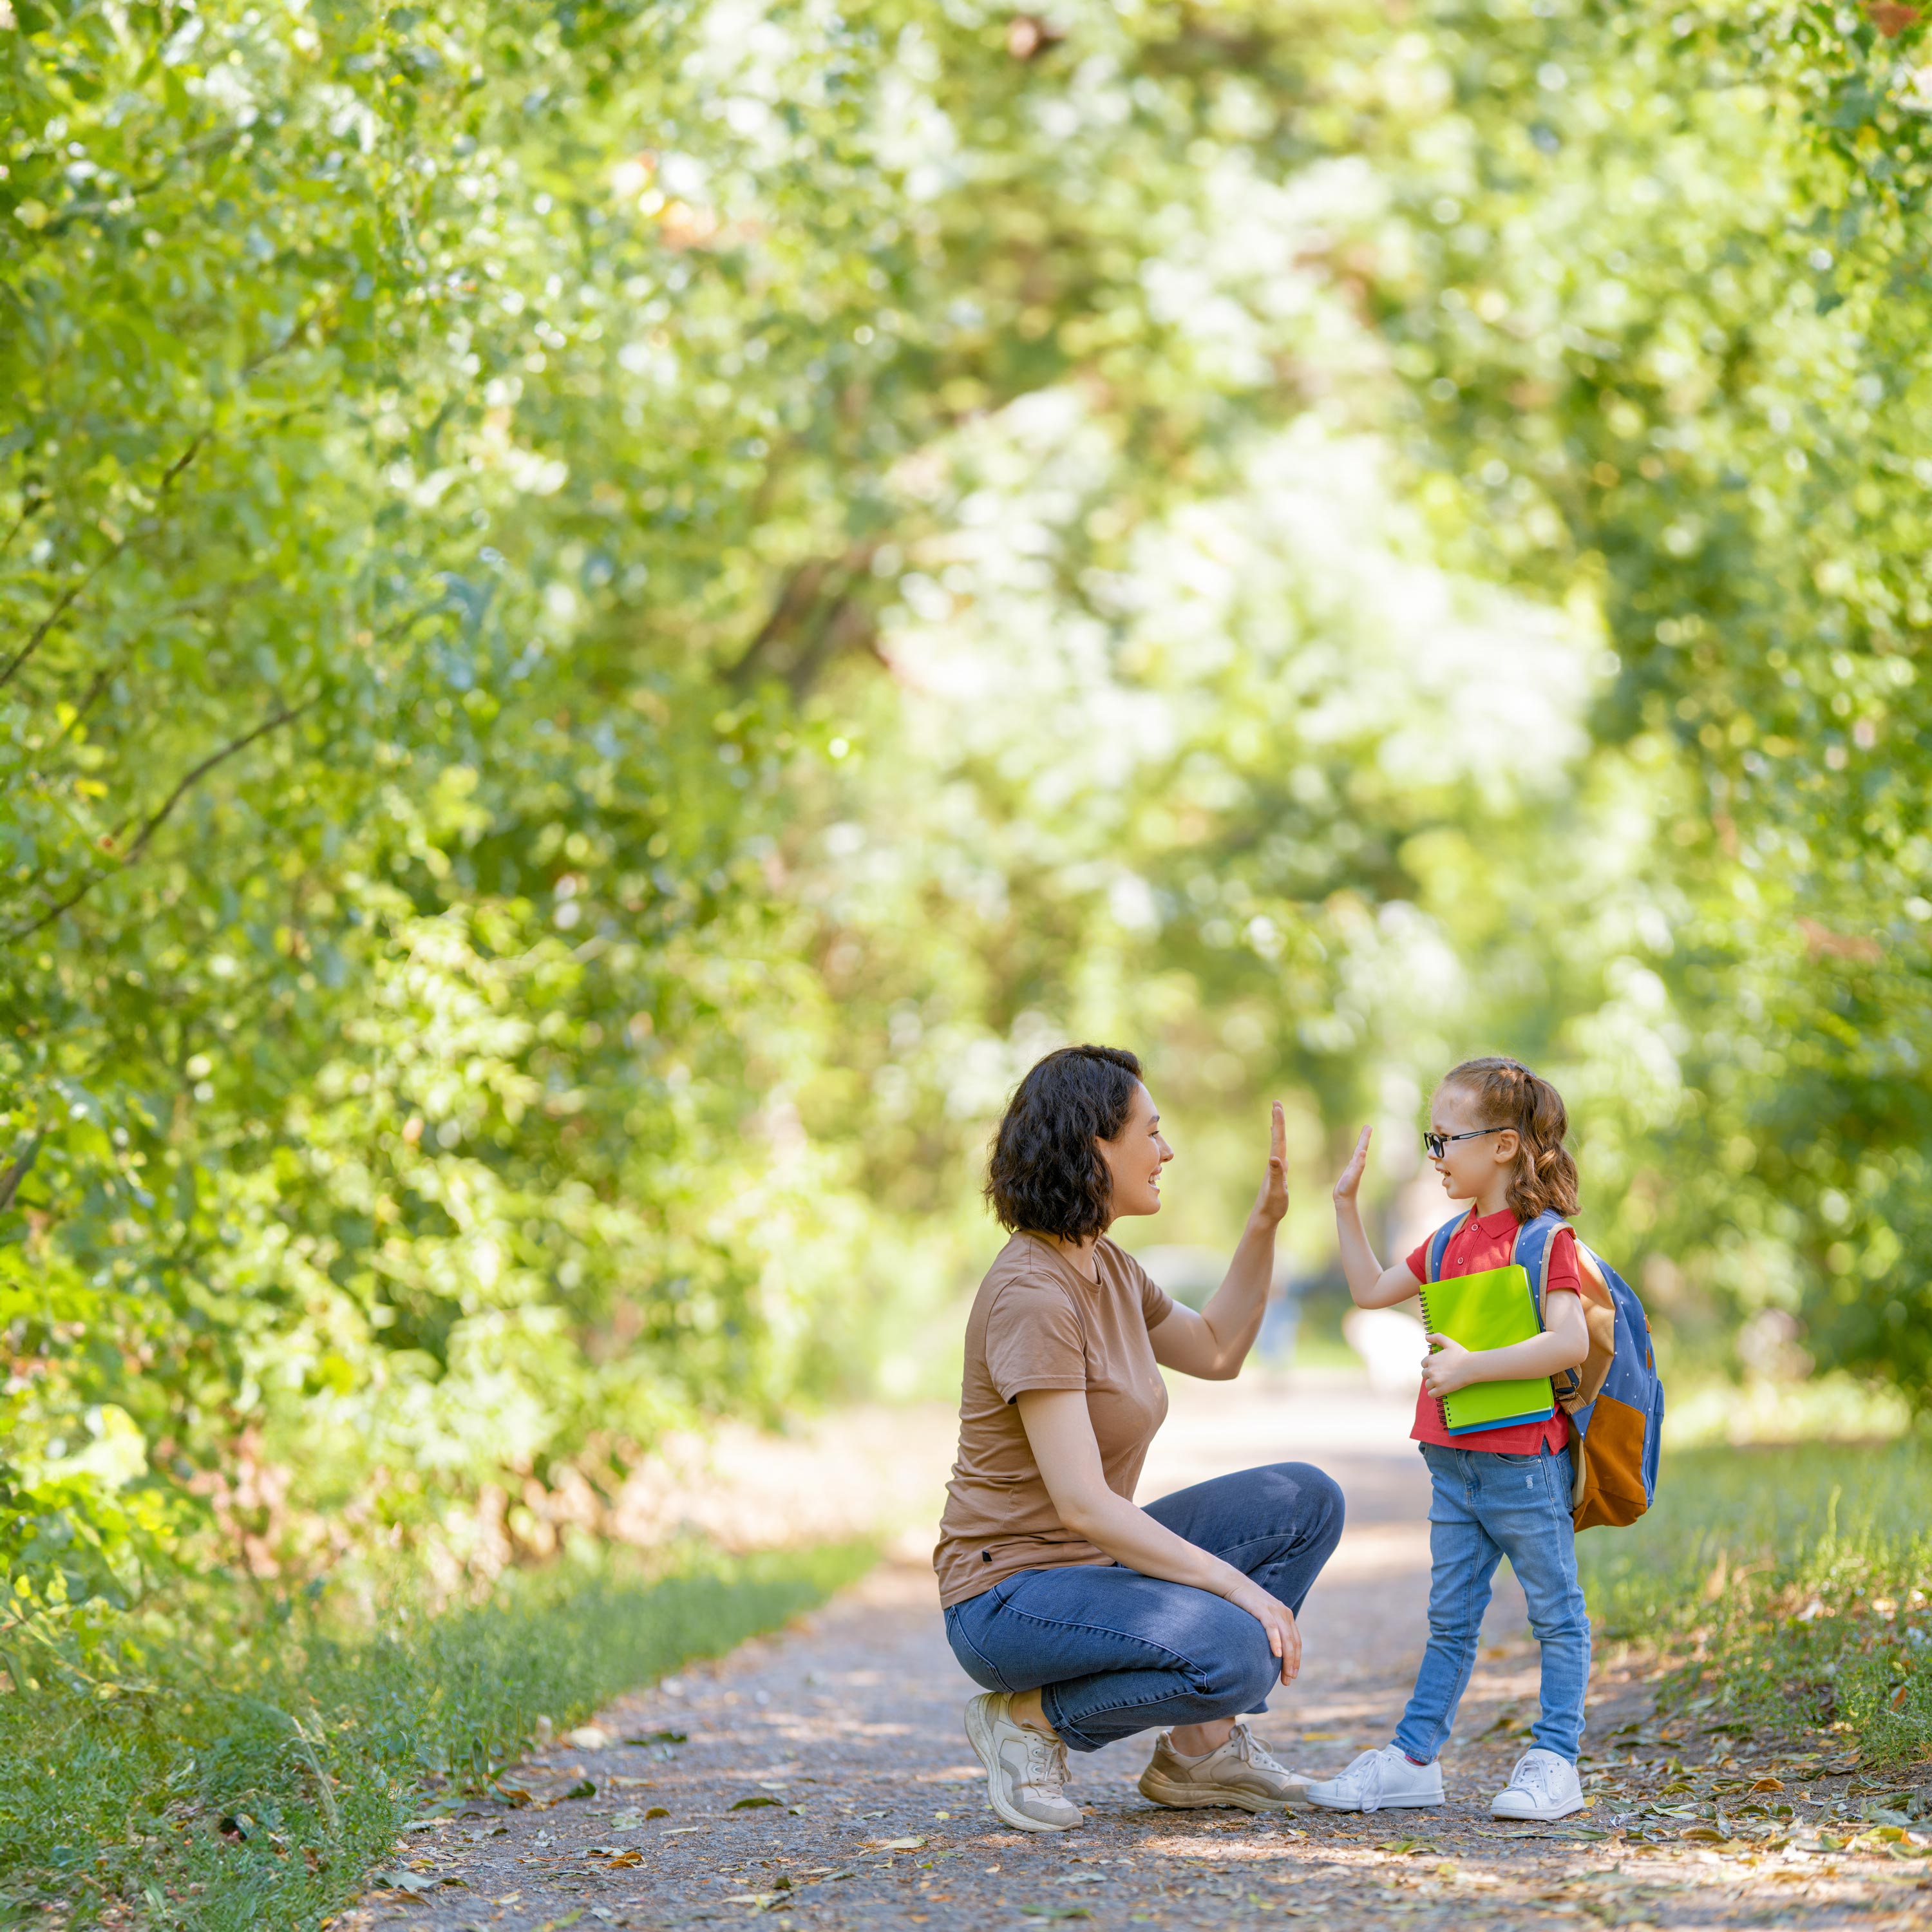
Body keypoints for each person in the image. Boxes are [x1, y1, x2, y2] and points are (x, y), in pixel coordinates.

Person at [935, 1045, 1344, 1834]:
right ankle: (1027, 1720)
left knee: (1304, 1500)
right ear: (1094, 1144)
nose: (1166, 1151)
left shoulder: (1109, 1268)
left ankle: (1200, 1751)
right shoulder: (1033, 1292)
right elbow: (1085, 1504)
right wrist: (1237, 1587)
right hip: (1007, 1599)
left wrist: (1264, 1225)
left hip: (1087, 1570)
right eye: (1150, 1133)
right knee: (1235, 1649)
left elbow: (1218, 1350)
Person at [1308, 1056, 1593, 1822]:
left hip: (1523, 1465)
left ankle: (1555, 1760)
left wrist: (1472, 1369)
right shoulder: (1444, 1243)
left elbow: (1567, 1344)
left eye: (1444, 1140)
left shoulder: (1544, 1242)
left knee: (1556, 1615)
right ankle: (1411, 1759)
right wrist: (1344, 1205)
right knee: (1450, 1621)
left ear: (1502, 1145)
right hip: (1453, 1465)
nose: (1435, 1157)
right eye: (1430, 1140)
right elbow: (1371, 1292)